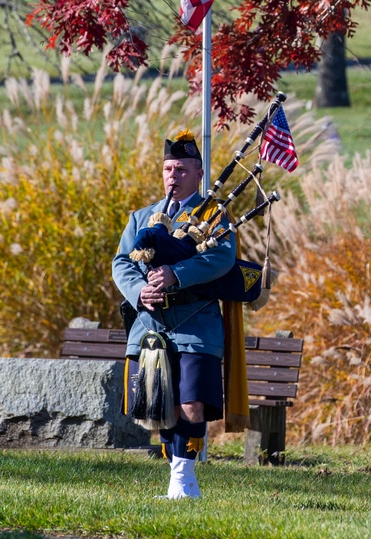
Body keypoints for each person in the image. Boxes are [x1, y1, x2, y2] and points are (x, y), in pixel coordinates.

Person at [112, 131, 235, 499]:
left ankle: (182, 480)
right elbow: (122, 263)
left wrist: (176, 274)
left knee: (191, 403)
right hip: (150, 326)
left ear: (198, 173)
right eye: (168, 168)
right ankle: (179, 478)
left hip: (196, 324)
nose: (173, 175)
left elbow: (221, 258)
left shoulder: (212, 216)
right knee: (159, 405)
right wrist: (139, 291)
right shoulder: (142, 217)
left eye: (181, 168)